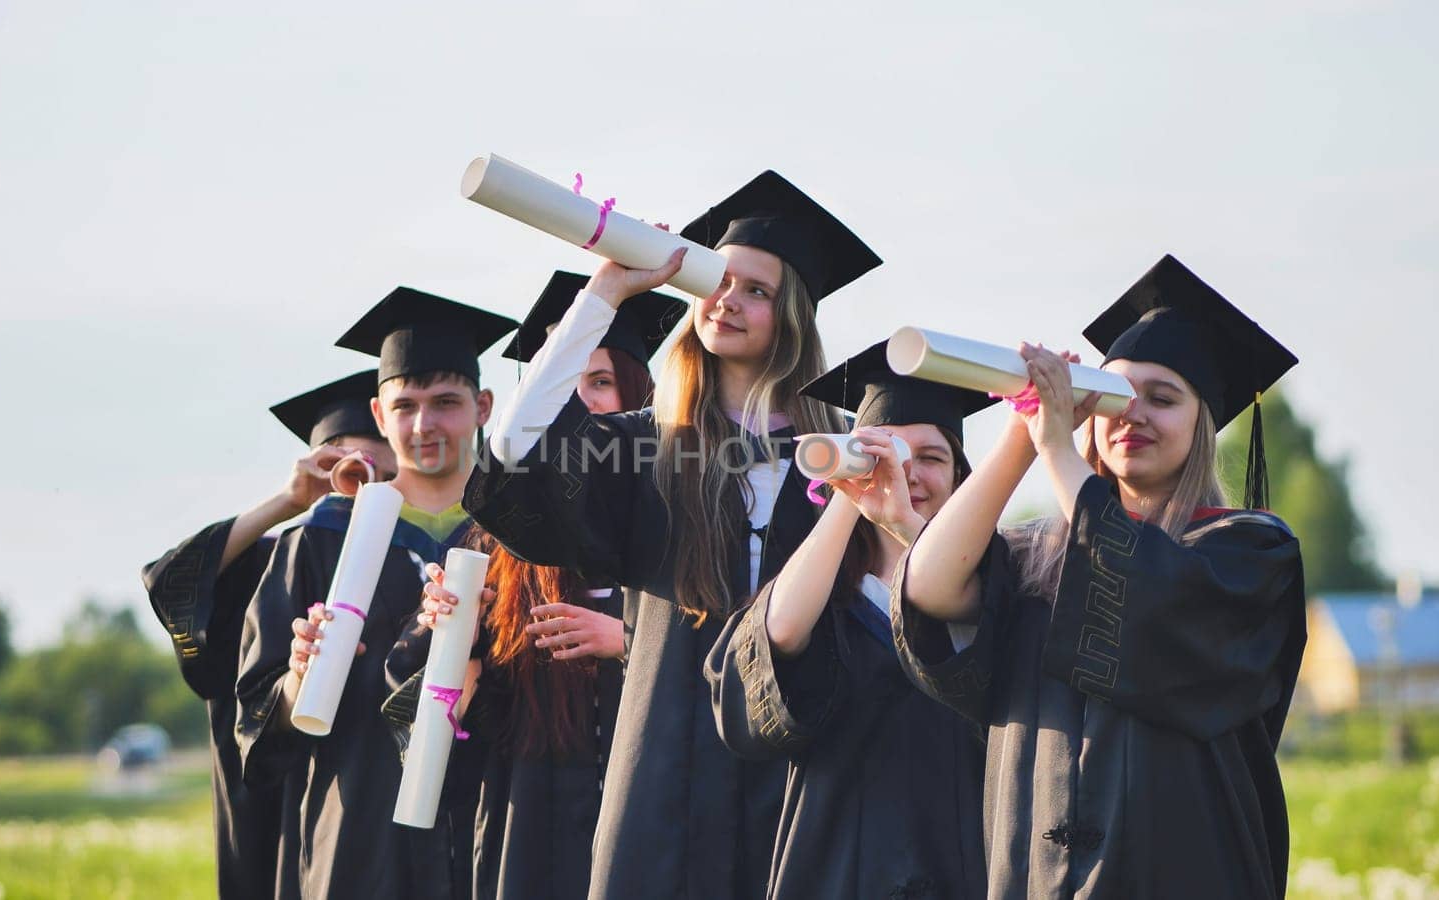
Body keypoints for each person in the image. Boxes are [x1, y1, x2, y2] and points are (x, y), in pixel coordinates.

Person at [466, 171, 881, 899]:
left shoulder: (845, 452)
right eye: (720, 281)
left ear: (792, 315)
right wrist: (604, 295)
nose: (730, 300)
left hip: (806, 761)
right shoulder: (645, 449)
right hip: (664, 764)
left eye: (758, 289)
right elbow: (512, 447)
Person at [891, 255, 1307, 898]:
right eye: (1115, 397)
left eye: (1163, 400)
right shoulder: (1035, 552)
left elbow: (1148, 591)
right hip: (1034, 871)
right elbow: (928, 589)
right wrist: (1022, 438)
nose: (1133, 414)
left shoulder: (1247, 553)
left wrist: (1060, 450)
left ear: (1202, 424)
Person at [390, 271, 685, 900]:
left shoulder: (685, 528)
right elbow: (435, 730)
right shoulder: (488, 542)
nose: (577, 404)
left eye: (600, 383)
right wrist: (452, 639)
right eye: (563, 385)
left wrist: (633, 639)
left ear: (642, 394)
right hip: (526, 838)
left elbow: (734, 667)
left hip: (654, 821)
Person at [235, 288, 515, 900]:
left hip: (498, 827)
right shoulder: (318, 542)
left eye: (446, 402)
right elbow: (256, 723)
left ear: (483, 406)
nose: (424, 425)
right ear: (378, 414)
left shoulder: (524, 539)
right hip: (360, 829)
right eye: (405, 406)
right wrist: (298, 680)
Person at [705, 342, 991, 898]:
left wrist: (917, 536)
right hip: (836, 866)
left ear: (961, 477)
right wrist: (850, 491)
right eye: (886, 453)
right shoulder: (823, 597)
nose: (904, 472)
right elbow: (776, 638)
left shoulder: (998, 593)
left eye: (930, 457)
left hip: (965, 862)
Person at [141, 369, 390, 899]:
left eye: (381, 470)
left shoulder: (422, 560)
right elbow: (171, 583)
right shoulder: (275, 557)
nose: (360, 485)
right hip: (278, 809)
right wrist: (289, 500)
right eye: (343, 465)